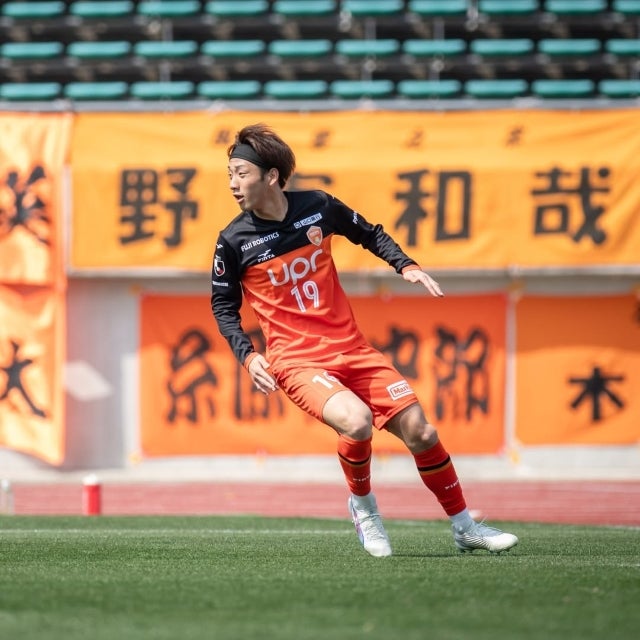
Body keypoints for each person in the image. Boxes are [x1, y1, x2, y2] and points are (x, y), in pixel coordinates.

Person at [211, 123, 518, 558]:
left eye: (241, 174)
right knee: (355, 422)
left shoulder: (318, 207)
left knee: (421, 431)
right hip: (296, 360)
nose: (232, 184)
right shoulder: (233, 240)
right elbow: (223, 306)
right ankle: (364, 508)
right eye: (230, 175)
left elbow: (369, 232)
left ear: (272, 176)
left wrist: (405, 265)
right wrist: (248, 356)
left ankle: (466, 527)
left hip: (352, 348)